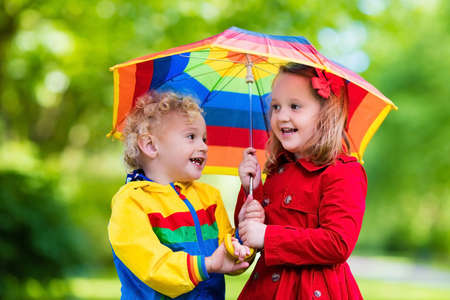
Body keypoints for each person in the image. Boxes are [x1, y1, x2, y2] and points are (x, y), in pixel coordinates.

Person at [235, 63, 367, 300]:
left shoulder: (343, 172)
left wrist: (267, 236)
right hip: (265, 289)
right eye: (275, 107)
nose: (282, 116)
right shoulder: (277, 171)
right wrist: (250, 188)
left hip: (313, 291)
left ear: (326, 113)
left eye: (295, 106)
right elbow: (247, 241)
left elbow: (337, 243)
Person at [108, 91, 250, 300]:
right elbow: (153, 266)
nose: (203, 146)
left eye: (204, 139)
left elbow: (226, 256)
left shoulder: (208, 197)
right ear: (150, 145)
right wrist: (207, 265)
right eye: (191, 136)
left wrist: (243, 235)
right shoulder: (132, 202)